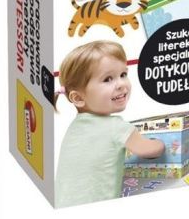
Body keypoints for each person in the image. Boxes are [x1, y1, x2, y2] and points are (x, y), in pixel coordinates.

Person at [55, 41, 164, 207]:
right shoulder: (115, 127)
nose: (121, 84)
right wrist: (159, 143)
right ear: (78, 98)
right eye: (108, 79)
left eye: (123, 74)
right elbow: (149, 150)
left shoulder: (75, 127)